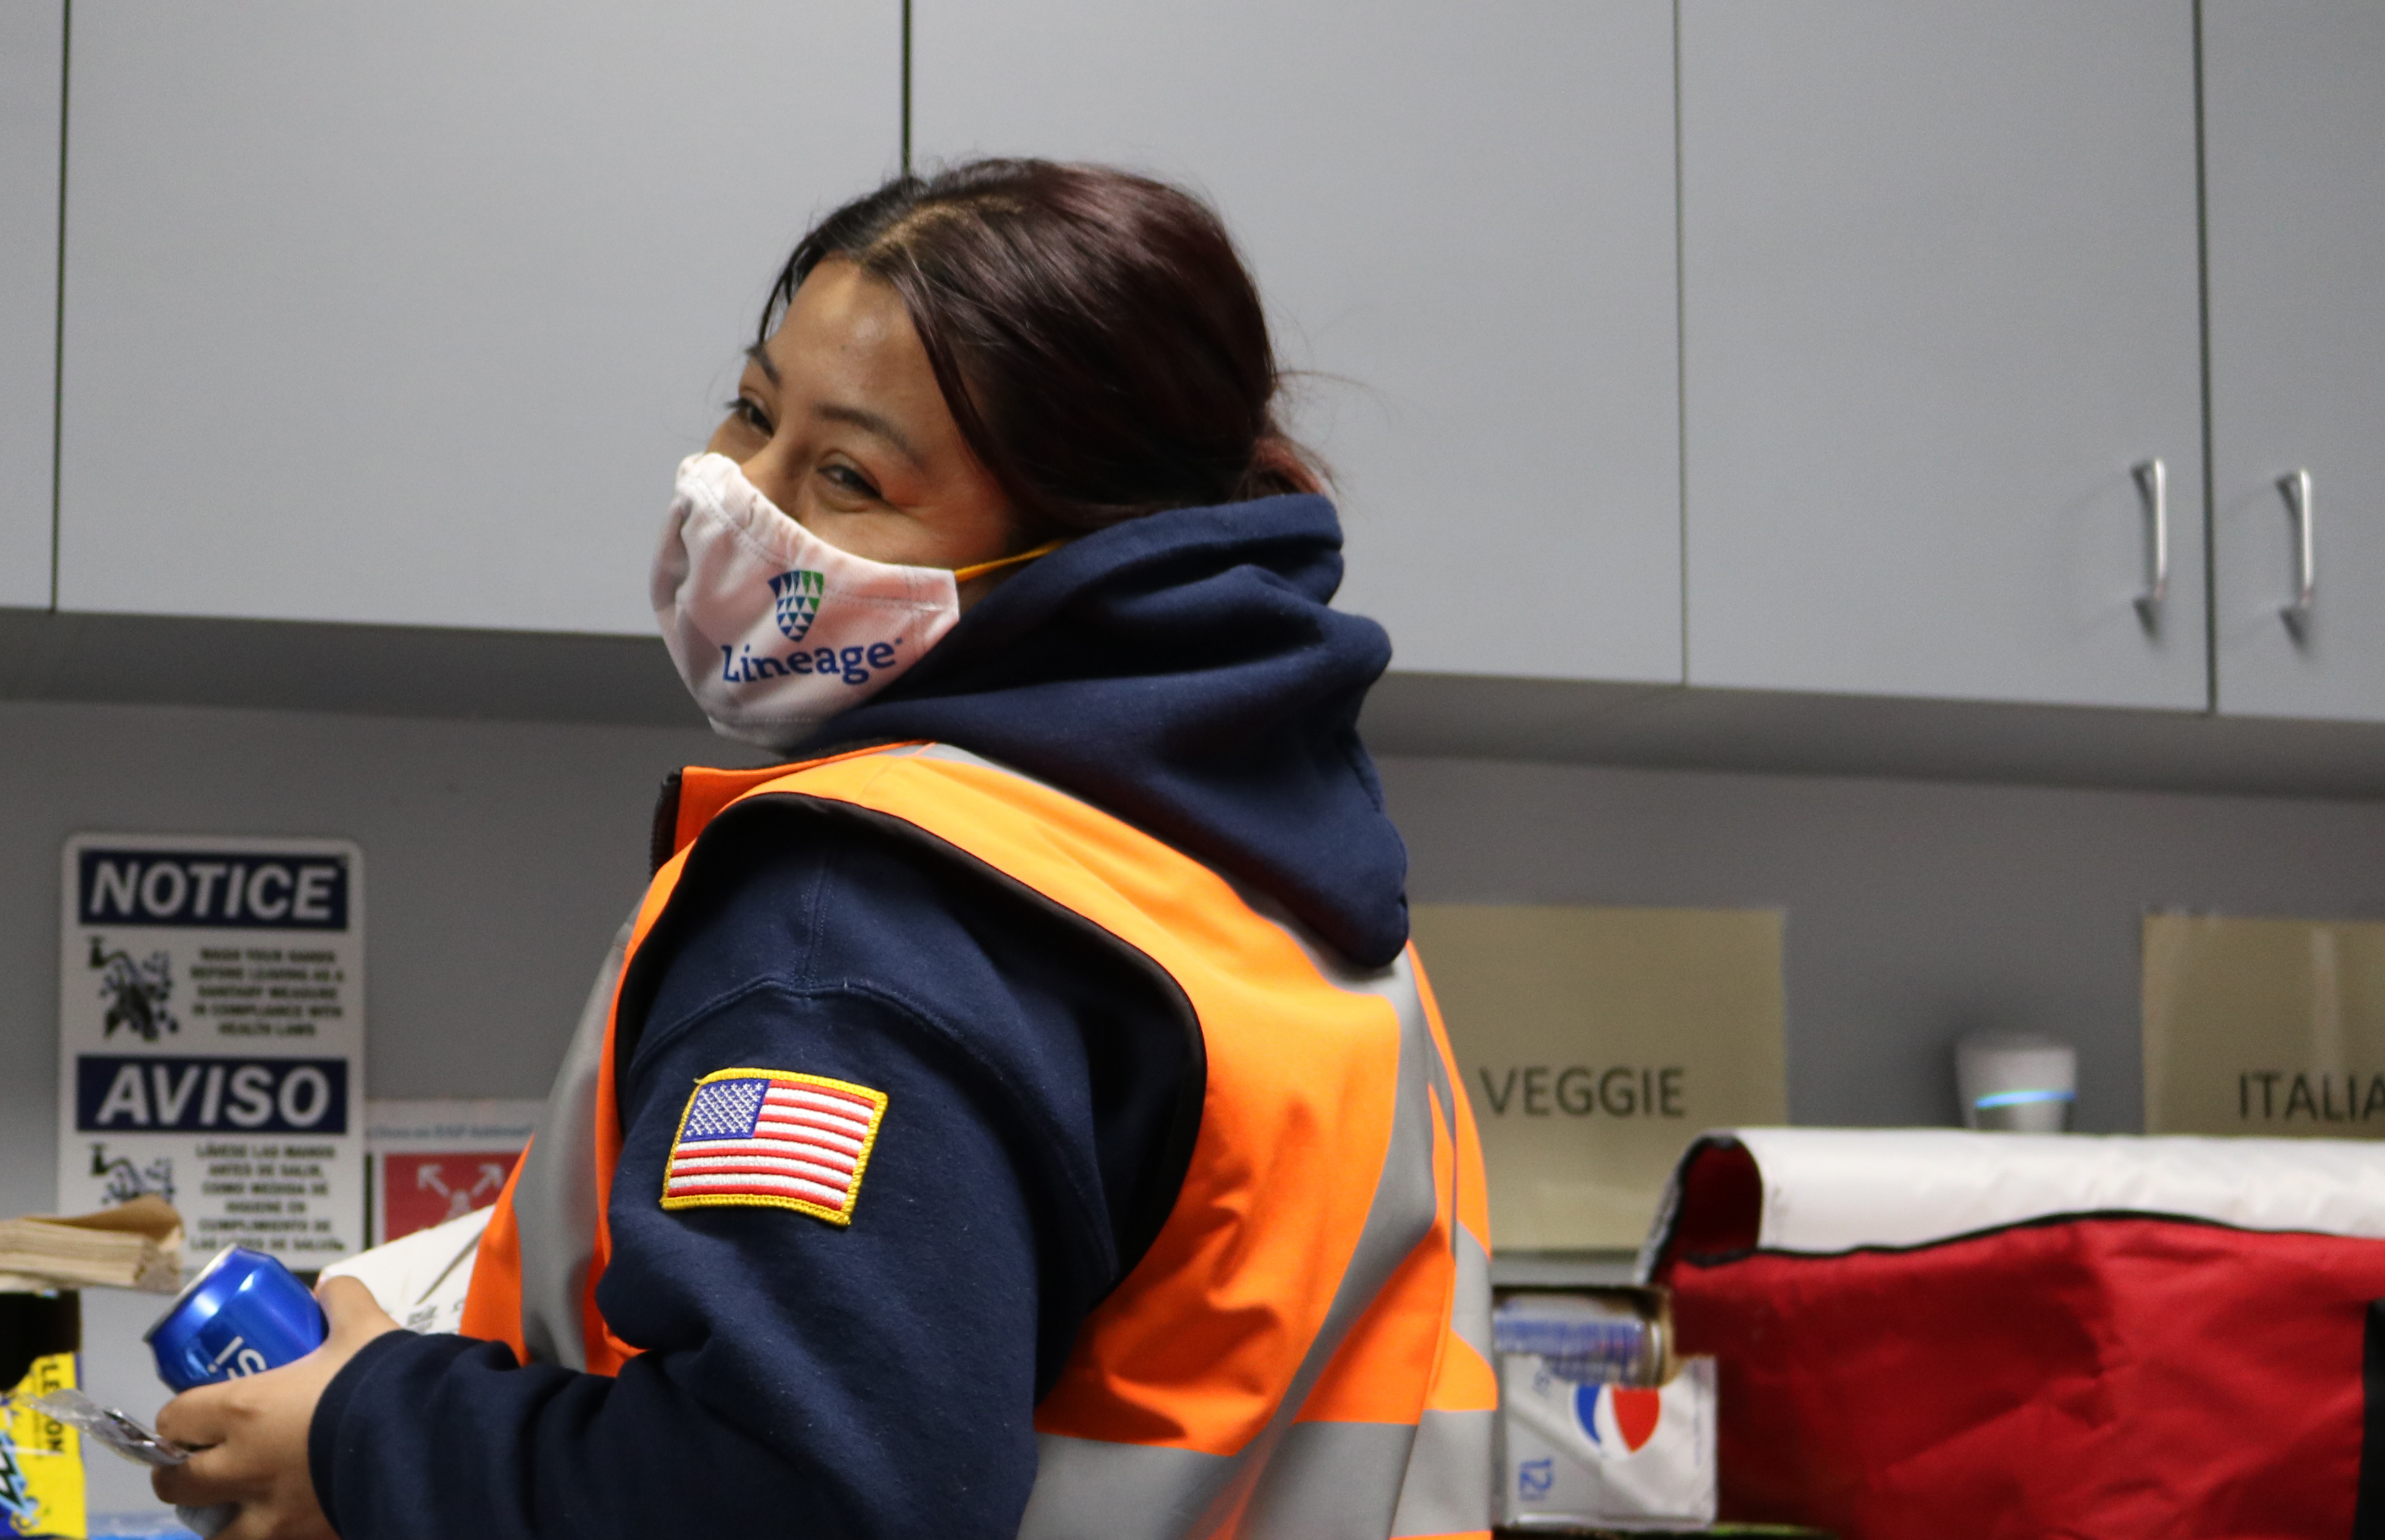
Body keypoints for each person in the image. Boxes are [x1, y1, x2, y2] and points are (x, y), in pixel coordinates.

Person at [154, 159, 1494, 1540]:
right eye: (753, 410)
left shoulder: (861, 917)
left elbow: (800, 1498)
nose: (745, 497)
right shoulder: (1302, 928)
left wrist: (372, 1440)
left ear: (1071, 548)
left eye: (848, 476)